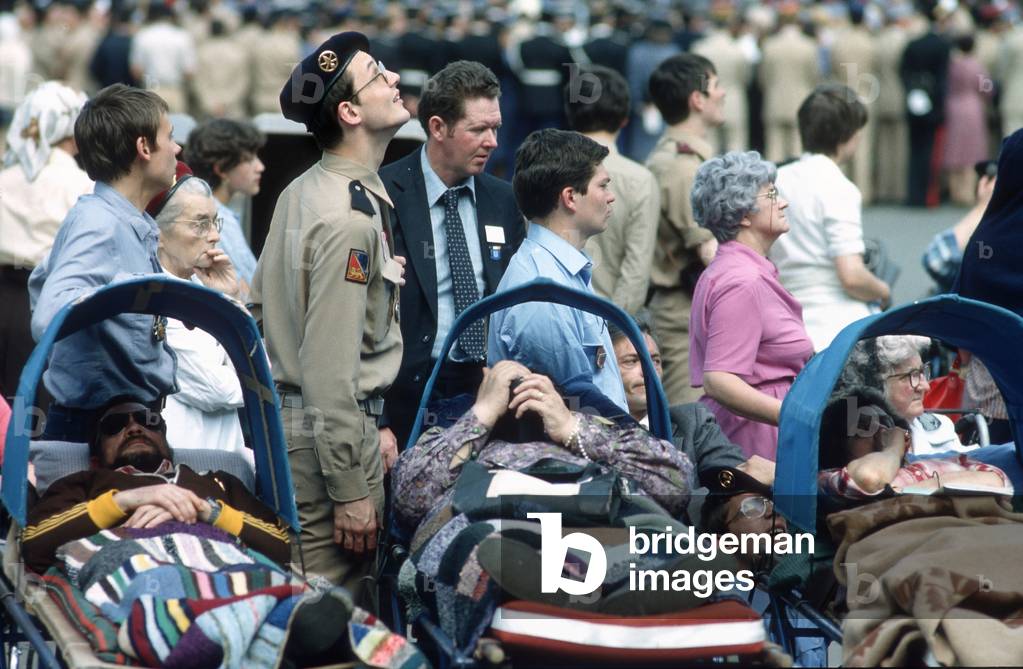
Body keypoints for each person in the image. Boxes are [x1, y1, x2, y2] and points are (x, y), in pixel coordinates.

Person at [251, 32, 409, 603]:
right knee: (327, 615)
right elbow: (327, 371)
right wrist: (349, 488)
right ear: (349, 112)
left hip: (303, 434)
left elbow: (261, 312)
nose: (394, 80)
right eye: (377, 76)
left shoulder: (303, 191)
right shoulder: (349, 218)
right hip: (329, 446)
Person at [379, 60, 524, 450]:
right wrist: (379, 420)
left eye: (496, 128)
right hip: (406, 394)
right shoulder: (384, 192)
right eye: (478, 129)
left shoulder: (503, 199)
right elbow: (360, 317)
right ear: (438, 127)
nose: (492, 141)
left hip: (483, 388)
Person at [28, 84, 181, 443]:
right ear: (144, 148)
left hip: (122, 422)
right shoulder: (101, 223)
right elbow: (48, 315)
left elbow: (38, 280)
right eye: (170, 137)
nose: (177, 149)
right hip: (98, 429)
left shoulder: (117, 218)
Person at [21, 398, 289, 574]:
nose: (135, 428)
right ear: (95, 457)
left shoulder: (217, 481)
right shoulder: (84, 484)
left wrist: (204, 511)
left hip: (225, 576)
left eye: (148, 420)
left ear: (165, 439)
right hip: (130, 579)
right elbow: (34, 545)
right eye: (115, 426)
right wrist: (126, 501)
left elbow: (282, 549)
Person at [487, 128, 627, 413]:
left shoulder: (562, 272)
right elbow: (576, 404)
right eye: (603, 186)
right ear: (570, 197)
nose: (611, 197)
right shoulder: (542, 291)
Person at [688, 150, 814, 461]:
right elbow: (719, 380)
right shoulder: (742, 281)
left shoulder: (736, 269)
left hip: (759, 430)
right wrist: (795, 416)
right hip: (756, 439)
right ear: (744, 214)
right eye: (772, 195)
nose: (783, 202)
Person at [770, 84, 890, 352]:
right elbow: (852, 276)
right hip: (832, 322)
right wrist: (883, 291)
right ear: (848, 136)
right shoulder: (839, 187)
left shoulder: (777, 180)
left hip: (781, 316)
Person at [148, 163, 249, 467]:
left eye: (216, 222)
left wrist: (231, 299)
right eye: (200, 224)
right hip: (184, 468)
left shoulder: (199, 289)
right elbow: (225, 390)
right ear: (158, 233)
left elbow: (258, 377)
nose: (215, 236)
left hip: (224, 465)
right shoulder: (157, 299)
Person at [0, 82, 92, 401]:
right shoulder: (80, 184)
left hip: (4, 292)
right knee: (33, 398)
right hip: (45, 298)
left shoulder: (4, 177)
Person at [645, 53, 724, 405]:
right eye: (716, 86)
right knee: (691, 426)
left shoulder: (685, 159)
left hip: (693, 309)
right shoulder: (683, 166)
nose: (723, 94)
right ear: (697, 99)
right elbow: (710, 252)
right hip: (684, 313)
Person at [564, 64, 659, 316]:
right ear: (624, 119)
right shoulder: (640, 179)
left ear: (570, 112)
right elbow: (636, 273)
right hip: (613, 324)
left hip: (555, 318)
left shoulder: (542, 170)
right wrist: (612, 329)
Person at [817, 387, 1010, 501]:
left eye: (886, 424)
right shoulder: (829, 478)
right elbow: (869, 478)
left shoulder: (944, 462)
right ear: (839, 442)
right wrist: (892, 448)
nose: (880, 432)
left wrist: (900, 494)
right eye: (863, 427)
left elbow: (996, 482)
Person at [840, 335, 970, 456]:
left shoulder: (942, 427)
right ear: (877, 383)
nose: (926, 386)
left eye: (923, 372)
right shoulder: (857, 442)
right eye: (913, 375)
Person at [184, 118, 266, 289]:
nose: (260, 167)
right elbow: (245, 290)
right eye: (249, 159)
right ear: (221, 169)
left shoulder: (223, 216)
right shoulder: (218, 221)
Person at [130, 3, 196, 114]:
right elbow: (189, 72)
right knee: (178, 128)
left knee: (153, 128)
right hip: (176, 90)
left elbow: (136, 71)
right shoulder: (182, 36)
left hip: (151, 89)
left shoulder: (142, 36)